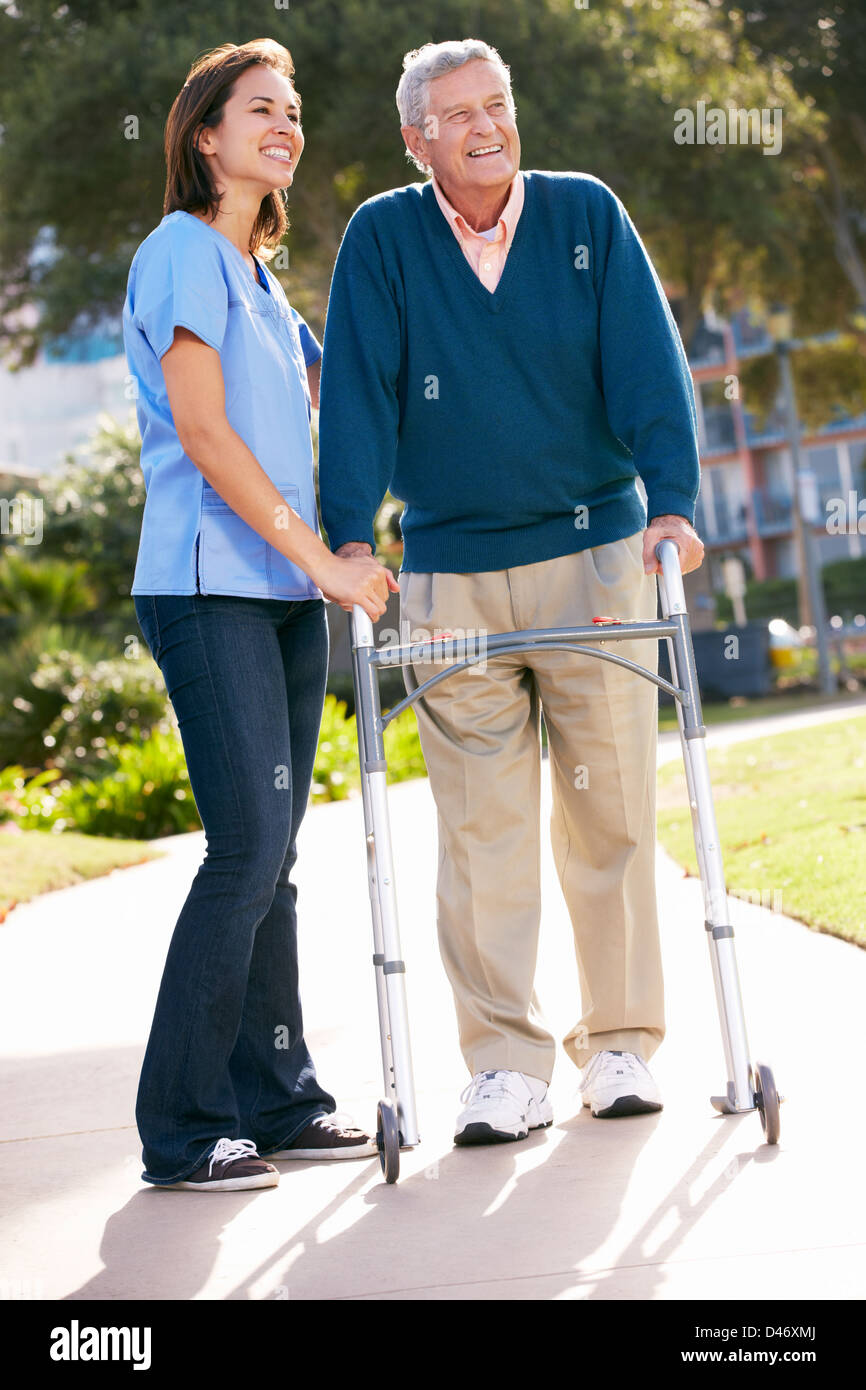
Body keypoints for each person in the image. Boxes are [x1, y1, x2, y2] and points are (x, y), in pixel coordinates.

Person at [317, 39, 704, 1147]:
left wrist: (668, 501)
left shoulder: (583, 215)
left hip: (596, 559)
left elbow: (644, 362)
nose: (484, 125)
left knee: (611, 810)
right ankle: (502, 1068)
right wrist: (349, 536)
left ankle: (620, 1043)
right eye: (456, 113)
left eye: (496, 104)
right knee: (480, 825)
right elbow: (357, 391)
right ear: (414, 138)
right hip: (446, 574)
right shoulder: (384, 238)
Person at [123, 38, 397, 1192]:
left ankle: (278, 1102)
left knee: (273, 855)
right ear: (204, 136)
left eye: (293, 112)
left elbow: (344, 414)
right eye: (258, 110)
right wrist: (318, 562)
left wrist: (341, 554)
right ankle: (183, 1129)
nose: (284, 126)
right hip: (206, 587)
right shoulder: (183, 251)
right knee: (244, 850)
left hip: (281, 595)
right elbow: (203, 433)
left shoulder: (271, 289)